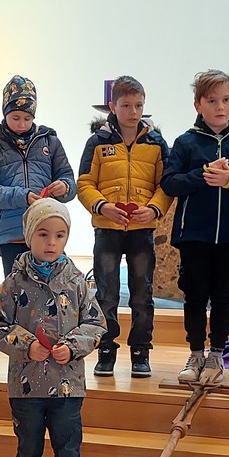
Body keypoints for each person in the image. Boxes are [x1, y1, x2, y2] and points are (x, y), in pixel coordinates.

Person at [0, 198, 105, 457]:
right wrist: (26, 345)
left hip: (68, 389)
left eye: (59, 235)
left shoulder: (78, 282)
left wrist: (74, 346)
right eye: (43, 234)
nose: (51, 242)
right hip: (26, 390)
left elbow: (96, 324)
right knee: (28, 456)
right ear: (29, 236)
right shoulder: (13, 283)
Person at [161, 69, 229, 383]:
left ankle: (217, 354)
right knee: (194, 295)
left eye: (226, 99)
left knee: (223, 296)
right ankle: (195, 353)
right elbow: (170, 182)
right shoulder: (186, 142)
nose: (220, 106)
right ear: (198, 105)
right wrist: (203, 174)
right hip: (193, 234)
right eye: (212, 101)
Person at [76, 75, 172, 378]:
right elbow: (84, 183)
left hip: (142, 231)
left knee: (142, 294)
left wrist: (153, 209)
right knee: (106, 294)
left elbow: (165, 185)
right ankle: (105, 350)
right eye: (127, 105)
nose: (134, 111)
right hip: (107, 230)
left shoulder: (155, 143)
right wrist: (102, 206)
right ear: (112, 106)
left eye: (139, 105)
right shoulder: (97, 142)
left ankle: (141, 351)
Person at [0, 75, 75, 278]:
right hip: (11, 234)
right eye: (15, 118)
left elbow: (69, 180)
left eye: (27, 119)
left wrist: (64, 187)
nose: (21, 124)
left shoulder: (51, 143)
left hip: (46, 230)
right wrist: (23, 196)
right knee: (16, 289)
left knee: (53, 288)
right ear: (5, 113)